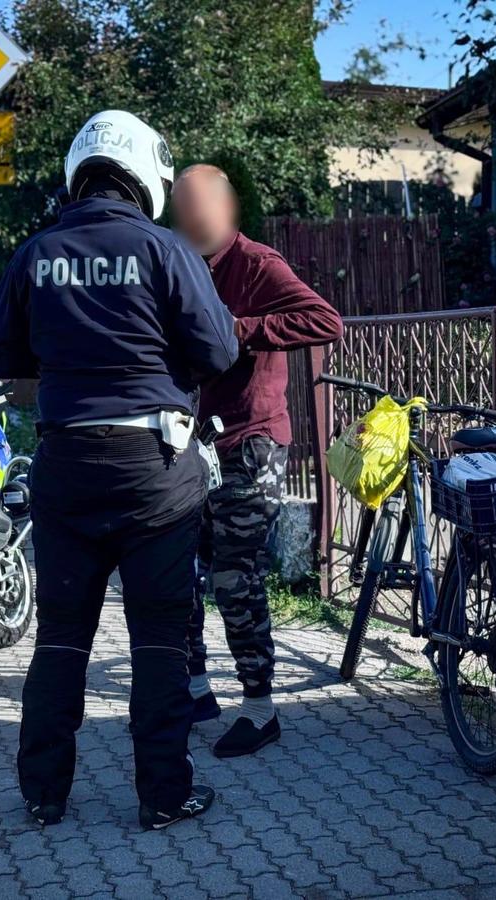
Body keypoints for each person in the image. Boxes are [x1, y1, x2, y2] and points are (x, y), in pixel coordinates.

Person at [0, 113, 239, 830]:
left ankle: (43, 794)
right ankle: (163, 794)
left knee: (62, 635)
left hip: (65, 464)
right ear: (145, 174)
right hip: (155, 472)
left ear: (81, 171)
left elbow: (0, 355)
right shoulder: (165, 248)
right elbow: (218, 351)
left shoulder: (36, 253)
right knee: (158, 636)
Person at [170, 164, 343, 759]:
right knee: (177, 569)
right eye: (179, 206)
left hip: (252, 444)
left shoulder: (257, 263)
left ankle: (260, 710)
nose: (186, 217)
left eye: (197, 206)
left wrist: (239, 329)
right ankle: (195, 690)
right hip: (192, 444)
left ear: (224, 208)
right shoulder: (179, 262)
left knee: (233, 576)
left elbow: (325, 320)